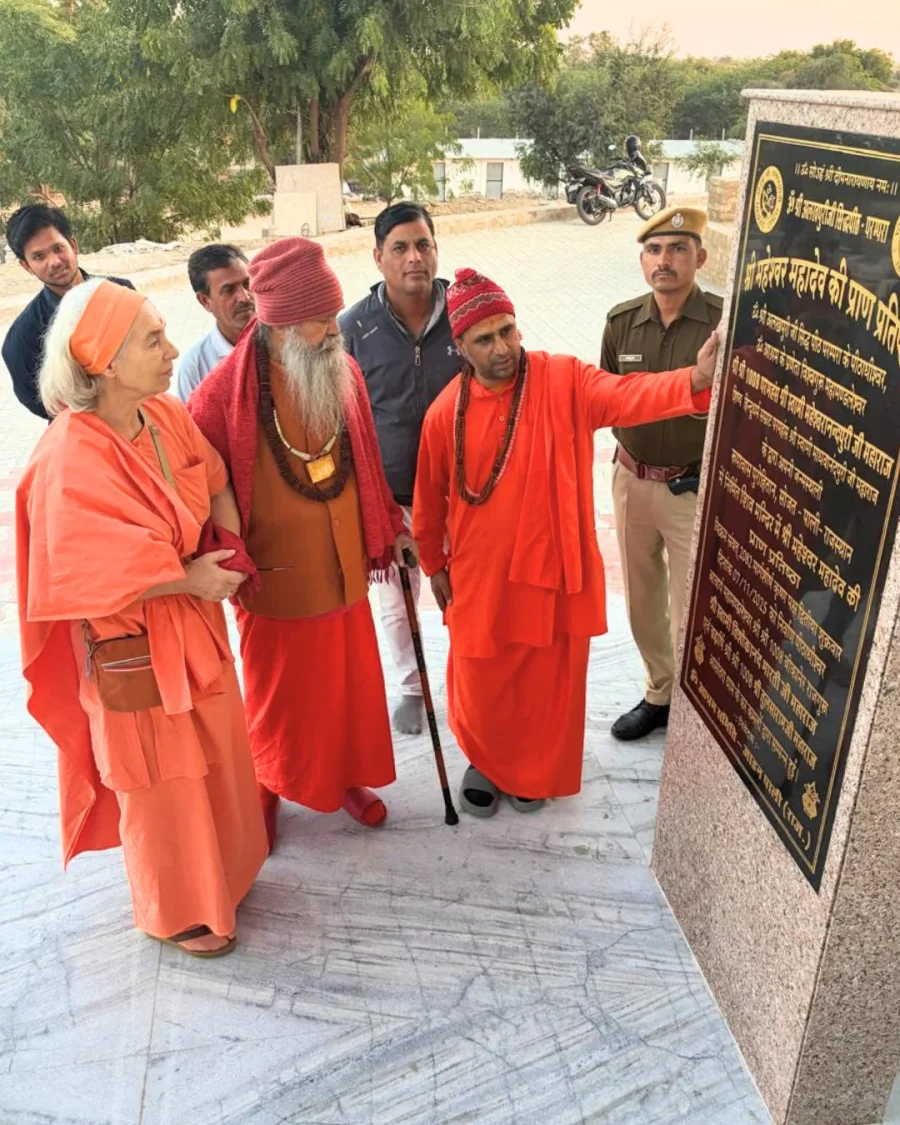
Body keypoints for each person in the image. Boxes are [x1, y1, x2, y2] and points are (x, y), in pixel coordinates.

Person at [16, 278, 267, 957]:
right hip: (137, 654)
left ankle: (230, 875)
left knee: (218, 762)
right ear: (103, 359)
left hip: (200, 633)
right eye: (153, 340)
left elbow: (211, 478)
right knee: (163, 789)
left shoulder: (164, 415)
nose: (173, 351)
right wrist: (187, 577)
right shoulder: (68, 456)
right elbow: (75, 577)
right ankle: (181, 911)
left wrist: (227, 541)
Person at [413, 268, 718, 817]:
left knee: (545, 684)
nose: (502, 347)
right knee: (480, 677)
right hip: (480, 576)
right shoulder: (444, 414)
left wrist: (694, 378)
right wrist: (433, 562)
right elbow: (430, 499)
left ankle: (533, 770)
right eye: (484, 339)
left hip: (551, 570)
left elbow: (627, 395)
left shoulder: (564, 380)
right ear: (459, 346)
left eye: (508, 330)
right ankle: (485, 758)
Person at [188, 237, 416, 849]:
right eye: (317, 322)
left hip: (343, 566)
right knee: (277, 698)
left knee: (345, 689)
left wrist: (388, 528)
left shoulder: (342, 371)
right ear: (280, 324)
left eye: (332, 317)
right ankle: (265, 784)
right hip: (276, 578)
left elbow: (367, 461)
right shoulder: (218, 396)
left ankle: (341, 779)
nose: (331, 331)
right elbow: (199, 493)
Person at [601, 207, 723, 741]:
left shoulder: (723, 321)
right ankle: (659, 694)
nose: (665, 261)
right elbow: (604, 399)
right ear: (642, 260)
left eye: (677, 249)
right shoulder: (621, 320)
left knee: (693, 604)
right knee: (642, 597)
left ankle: (698, 708)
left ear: (700, 255)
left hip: (692, 487)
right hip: (632, 481)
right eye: (654, 250)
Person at [339, 203, 460, 735]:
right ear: (378, 257)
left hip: (464, 494)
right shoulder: (352, 327)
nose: (415, 258)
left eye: (424, 245)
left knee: (469, 595)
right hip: (390, 498)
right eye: (401, 248)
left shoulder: (466, 310)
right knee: (397, 600)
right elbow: (340, 416)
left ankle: (470, 681)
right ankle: (412, 688)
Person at [2, 205, 134, 419]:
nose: (54, 262)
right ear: (26, 266)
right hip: (84, 437)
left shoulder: (121, 292)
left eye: (57, 248)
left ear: (73, 245)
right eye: (38, 257)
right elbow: (40, 403)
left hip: (140, 417)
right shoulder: (23, 337)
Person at [175, 244, 254, 401]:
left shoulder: (285, 343)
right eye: (229, 290)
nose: (245, 297)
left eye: (246, 284)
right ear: (204, 301)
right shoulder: (196, 368)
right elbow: (192, 425)